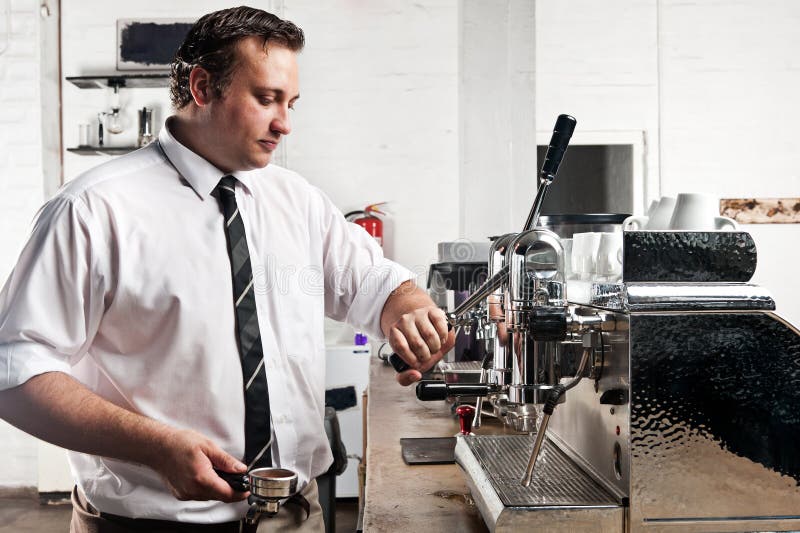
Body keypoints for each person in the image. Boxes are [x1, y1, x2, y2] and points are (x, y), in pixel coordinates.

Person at [0, 6, 454, 533]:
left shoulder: (296, 199)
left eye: (290, 102)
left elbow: (376, 284)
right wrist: (155, 447)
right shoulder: (92, 211)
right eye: (266, 99)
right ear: (202, 87)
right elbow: (15, 371)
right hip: (150, 524)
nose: (285, 123)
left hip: (294, 514)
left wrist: (409, 306)